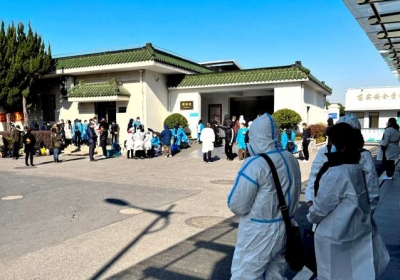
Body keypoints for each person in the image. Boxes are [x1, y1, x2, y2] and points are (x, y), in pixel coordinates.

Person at [307, 123, 389, 279]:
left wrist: (311, 215)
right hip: (355, 230)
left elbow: (320, 208)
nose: (330, 148)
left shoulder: (337, 173)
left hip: (333, 236)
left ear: (342, 147)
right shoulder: (356, 168)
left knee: (332, 273)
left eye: (333, 144)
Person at [228, 113, 302, 279]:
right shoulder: (291, 159)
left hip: (258, 231)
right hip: (286, 226)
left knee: (245, 274)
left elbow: (237, 204)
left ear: (255, 137)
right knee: (275, 274)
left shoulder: (255, 164)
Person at [306, 113, 380, 212]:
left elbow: (371, 187)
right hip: (326, 210)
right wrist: (311, 200)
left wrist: (367, 212)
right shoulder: (325, 152)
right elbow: (314, 178)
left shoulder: (364, 155)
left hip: (353, 213)